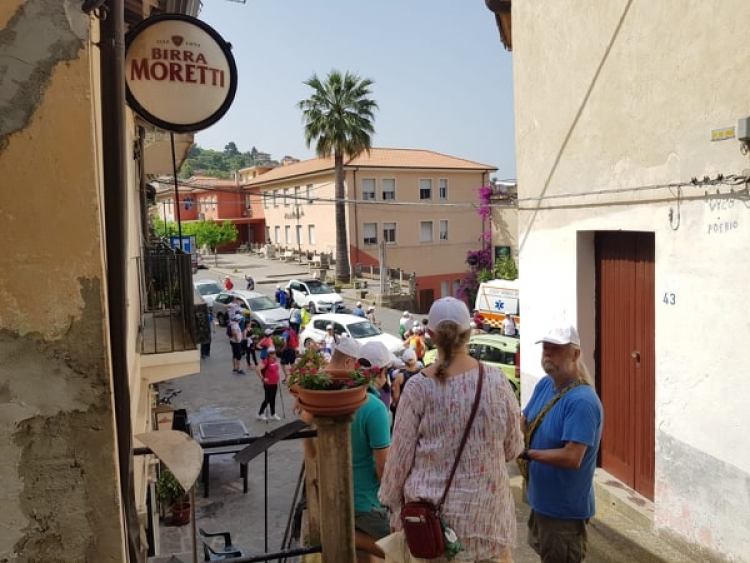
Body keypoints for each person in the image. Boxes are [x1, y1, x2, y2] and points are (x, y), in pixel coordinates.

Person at [379, 296, 523, 562]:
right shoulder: (496, 381)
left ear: (431, 335)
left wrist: (391, 505)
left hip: (433, 531)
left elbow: (399, 461)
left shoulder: (418, 388)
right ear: (469, 333)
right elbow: (513, 447)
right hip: (488, 526)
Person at [521, 324, 603, 562]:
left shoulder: (582, 401)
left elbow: (572, 457)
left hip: (563, 513)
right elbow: (526, 419)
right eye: (546, 347)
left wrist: (527, 453)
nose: (547, 353)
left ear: (575, 354)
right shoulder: (546, 384)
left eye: (556, 349)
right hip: (543, 504)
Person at [350, 341, 393, 562]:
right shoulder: (374, 408)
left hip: (348, 495)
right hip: (368, 501)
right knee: (402, 550)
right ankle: (351, 537)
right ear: (383, 371)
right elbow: (383, 468)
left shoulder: (344, 395)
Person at [389, 348, 421, 420]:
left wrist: (394, 405)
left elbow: (396, 397)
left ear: (404, 361)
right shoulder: (421, 373)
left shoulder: (400, 377)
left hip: (404, 409)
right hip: (418, 407)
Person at [256, 347, 281, 420]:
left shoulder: (274, 360)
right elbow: (257, 369)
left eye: (274, 353)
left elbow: (276, 370)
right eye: (272, 353)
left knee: (273, 398)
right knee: (268, 399)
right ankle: (260, 413)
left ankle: (273, 414)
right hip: (268, 384)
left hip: (275, 383)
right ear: (269, 354)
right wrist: (263, 378)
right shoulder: (266, 361)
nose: (274, 354)